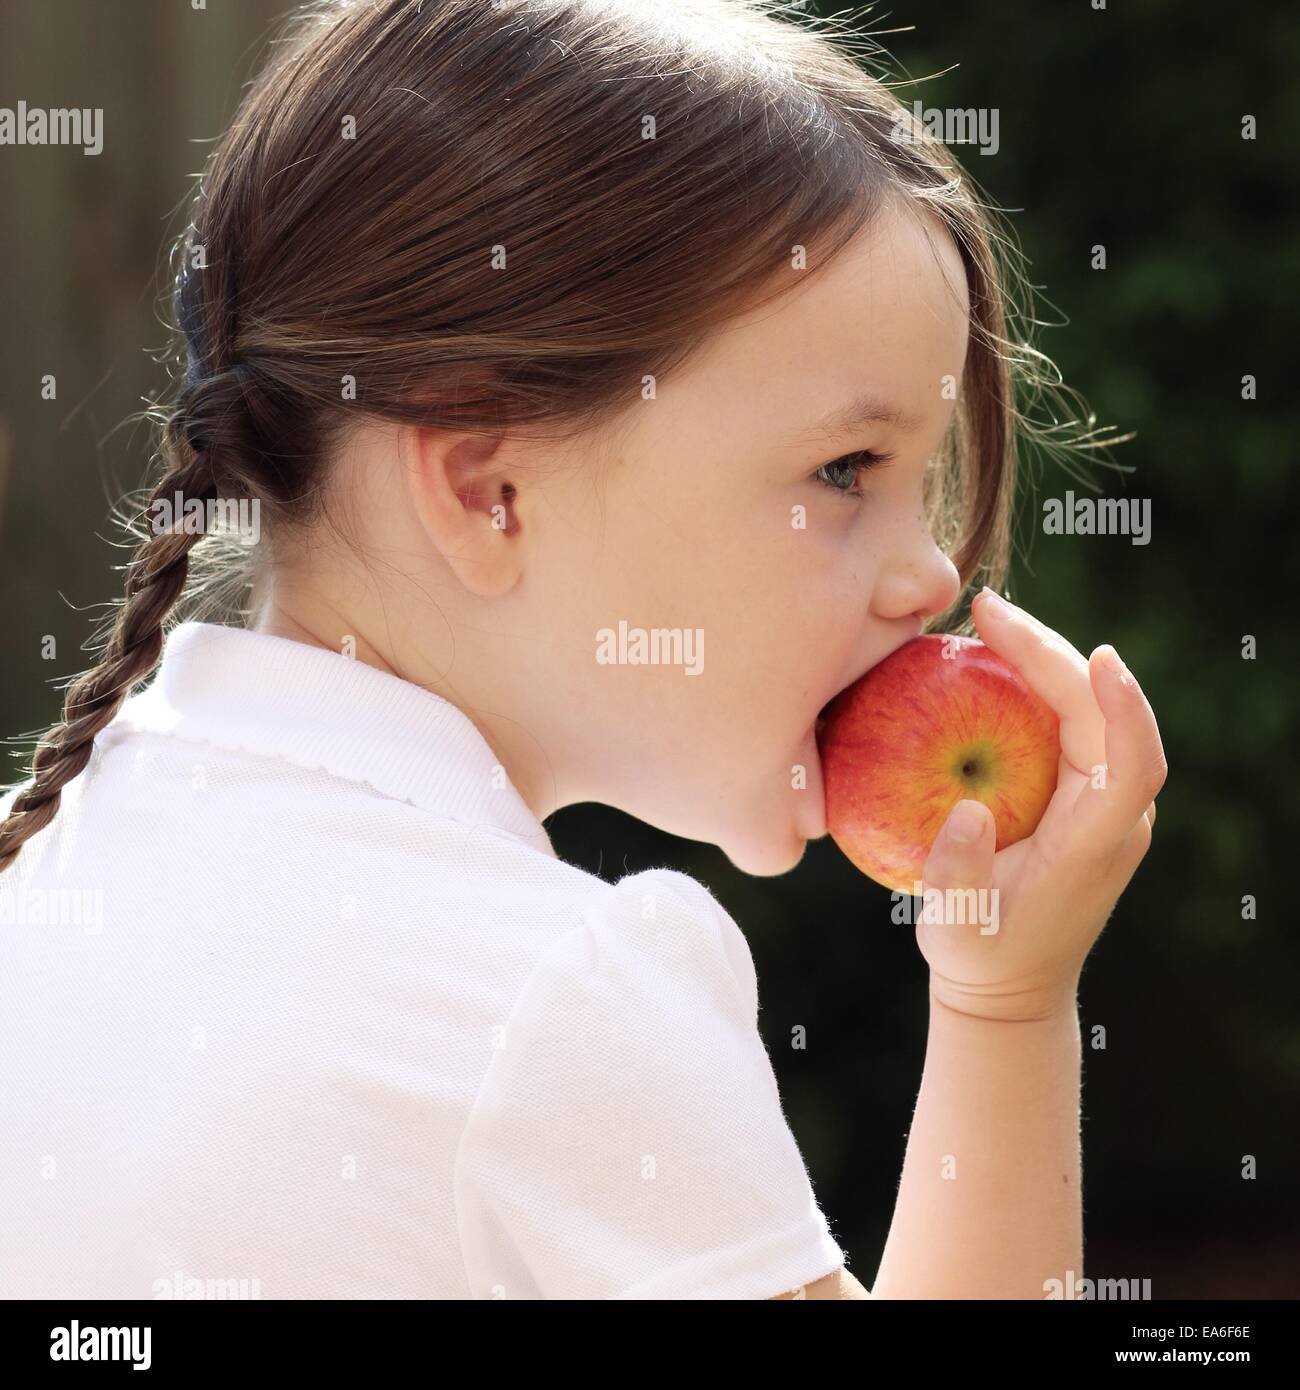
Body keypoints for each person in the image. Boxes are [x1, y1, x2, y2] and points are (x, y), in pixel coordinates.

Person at [0, 0, 1165, 1299]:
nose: (934, 574)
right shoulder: (565, 998)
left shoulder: (48, 866)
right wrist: (1008, 1003)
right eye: (846, 468)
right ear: (488, 492)